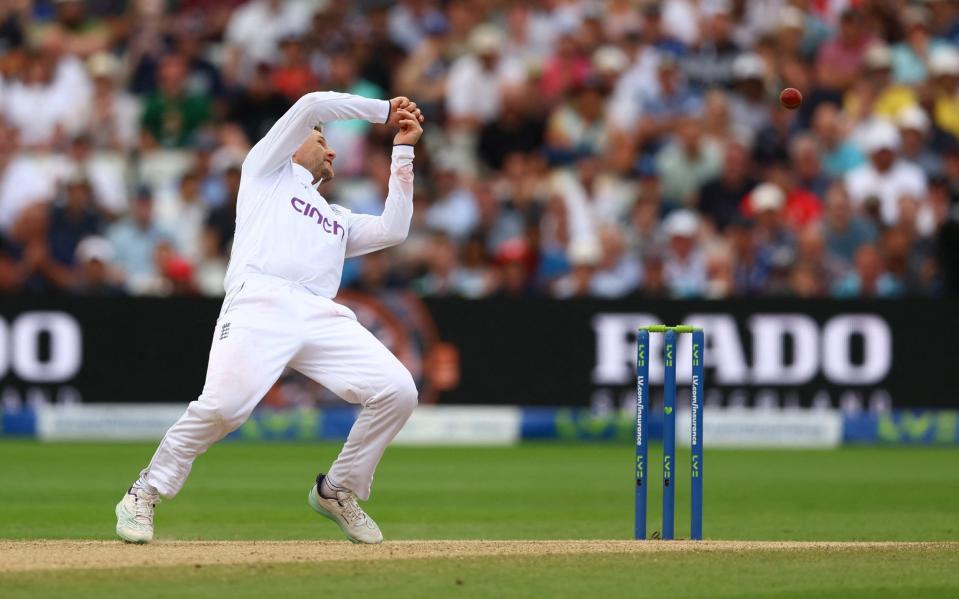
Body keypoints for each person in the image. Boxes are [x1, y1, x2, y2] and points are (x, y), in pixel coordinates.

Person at [115, 91, 425, 545]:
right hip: (260, 300)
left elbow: (394, 228)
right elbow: (313, 103)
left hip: (320, 312)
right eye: (322, 139)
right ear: (295, 141)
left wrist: (403, 148)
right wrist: (383, 112)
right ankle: (144, 491)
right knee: (223, 408)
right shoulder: (263, 173)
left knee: (398, 391)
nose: (332, 149)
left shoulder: (335, 217)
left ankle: (336, 491)